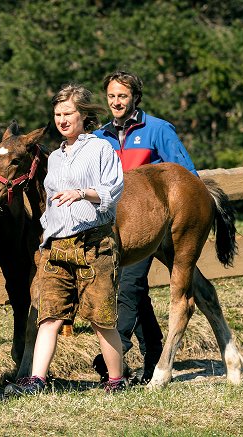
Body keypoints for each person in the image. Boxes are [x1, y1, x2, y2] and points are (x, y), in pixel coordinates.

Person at [4, 84, 126, 397]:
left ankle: (115, 381)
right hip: (58, 247)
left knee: (101, 319)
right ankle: (36, 381)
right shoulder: (55, 158)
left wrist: (83, 193)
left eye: (68, 113)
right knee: (49, 315)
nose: (62, 119)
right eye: (58, 114)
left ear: (84, 115)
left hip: (94, 245)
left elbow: (112, 192)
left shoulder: (100, 150)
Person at [92, 70, 198, 385]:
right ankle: (153, 354)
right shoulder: (99, 137)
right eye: (111, 96)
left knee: (129, 286)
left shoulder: (158, 130)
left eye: (122, 96)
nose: (116, 102)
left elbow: (185, 176)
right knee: (135, 292)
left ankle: (116, 352)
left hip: (150, 223)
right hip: (110, 226)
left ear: (135, 98)